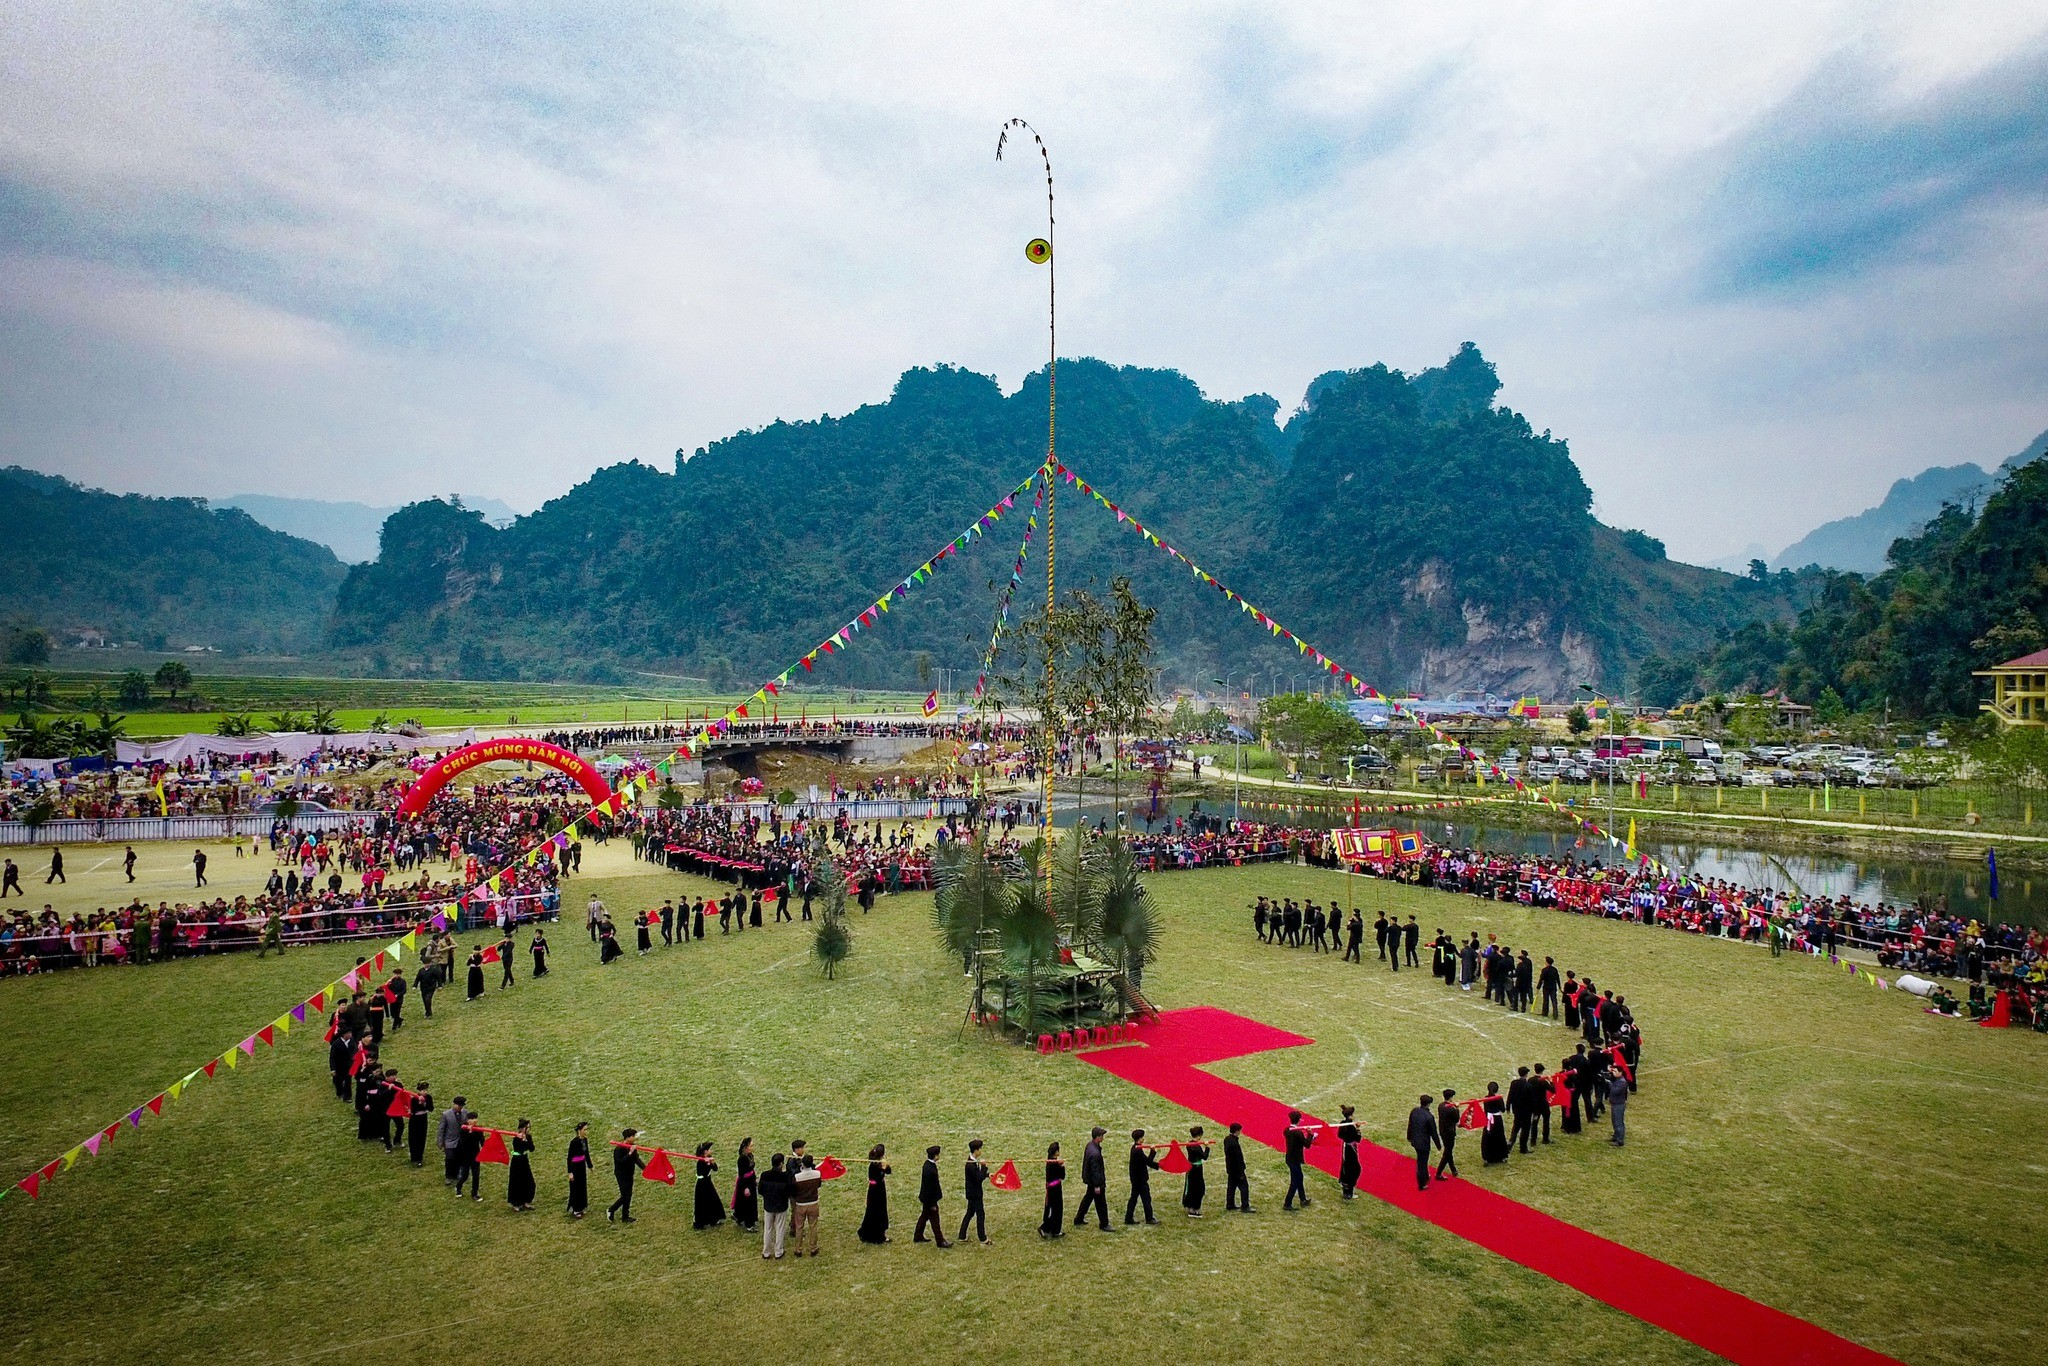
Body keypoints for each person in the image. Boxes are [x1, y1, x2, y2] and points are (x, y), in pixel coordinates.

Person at [913, 1144, 952, 1247]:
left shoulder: (927, 1165)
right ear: (935, 1155)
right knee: (935, 1221)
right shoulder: (930, 1169)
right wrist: (932, 1203)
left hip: (927, 1198)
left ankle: (918, 1235)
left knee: (924, 1216)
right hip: (930, 1199)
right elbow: (929, 1188)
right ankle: (940, 1241)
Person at [1074, 1127, 1111, 1231]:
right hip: (1095, 1182)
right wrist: (1097, 1185)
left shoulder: (1090, 1145)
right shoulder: (1095, 1153)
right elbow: (1096, 1171)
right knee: (1101, 1203)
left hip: (1090, 1180)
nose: (1103, 1137)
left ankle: (1079, 1218)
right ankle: (1104, 1224)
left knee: (1088, 1199)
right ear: (1098, 1137)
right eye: (1102, 1135)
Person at [789, 1144, 822, 1256]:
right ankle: (813, 1247)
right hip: (813, 1203)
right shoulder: (817, 1174)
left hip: (800, 1204)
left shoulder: (797, 1177)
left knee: (799, 1227)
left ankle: (798, 1249)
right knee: (813, 1226)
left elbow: (794, 1189)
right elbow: (818, 1185)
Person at [760, 1152, 794, 1258]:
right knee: (780, 1229)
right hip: (781, 1206)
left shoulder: (765, 1175)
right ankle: (778, 1251)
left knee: (768, 1228)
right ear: (781, 1164)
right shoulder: (785, 1176)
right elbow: (790, 1191)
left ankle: (766, 1251)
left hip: (769, 1206)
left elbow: (760, 1190)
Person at [1125, 1129, 1161, 1225]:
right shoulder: (1138, 1151)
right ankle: (1149, 1218)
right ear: (1139, 1139)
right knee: (1146, 1199)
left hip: (1135, 1179)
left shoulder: (1135, 1148)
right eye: (1142, 1137)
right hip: (1140, 1180)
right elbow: (1148, 1162)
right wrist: (1153, 1151)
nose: (1144, 1139)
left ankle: (1128, 1218)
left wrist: (1158, 1165)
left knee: (1133, 1198)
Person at [857, 1144, 891, 1244]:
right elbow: (878, 1177)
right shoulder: (874, 1166)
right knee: (876, 1211)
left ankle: (877, 1233)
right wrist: (883, 1168)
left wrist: (885, 1166)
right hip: (876, 1190)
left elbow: (889, 1171)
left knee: (877, 1210)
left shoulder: (879, 1163)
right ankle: (876, 1236)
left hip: (878, 1189)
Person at [609, 1129, 645, 1223]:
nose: (634, 1138)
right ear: (628, 1138)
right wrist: (629, 1153)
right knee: (625, 1195)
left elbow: (636, 1160)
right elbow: (620, 1162)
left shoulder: (632, 1147)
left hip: (629, 1174)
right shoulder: (619, 1149)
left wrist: (646, 1169)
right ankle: (611, 1210)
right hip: (621, 1175)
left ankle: (625, 1216)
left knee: (628, 1195)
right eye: (633, 1136)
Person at [959, 1139, 991, 1245]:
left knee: (969, 1213)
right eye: (980, 1149)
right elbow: (978, 1179)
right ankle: (983, 1238)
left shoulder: (972, 1161)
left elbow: (979, 1176)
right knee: (980, 1215)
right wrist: (984, 1167)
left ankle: (962, 1235)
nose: (981, 1151)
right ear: (976, 1150)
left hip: (972, 1193)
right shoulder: (970, 1165)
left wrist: (987, 1174)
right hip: (975, 1194)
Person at [1282, 1111, 1313, 1210]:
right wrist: (1310, 1135)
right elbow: (1307, 1144)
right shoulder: (1297, 1132)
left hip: (1290, 1158)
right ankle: (1287, 1203)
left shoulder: (1287, 1130)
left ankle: (1303, 1199)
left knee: (1299, 1178)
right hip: (1295, 1159)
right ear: (1298, 1120)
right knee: (1296, 1180)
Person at [1407, 1094, 1439, 1190]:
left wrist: (1409, 1137)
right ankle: (1422, 1184)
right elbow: (1433, 1133)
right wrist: (1438, 1145)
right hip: (1423, 1143)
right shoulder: (1429, 1117)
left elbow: (1410, 1125)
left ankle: (1425, 1177)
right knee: (1422, 1163)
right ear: (1428, 1104)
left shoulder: (1414, 1111)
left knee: (1422, 1161)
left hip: (1415, 1140)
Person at [693, 1141, 727, 1229]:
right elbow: (701, 1173)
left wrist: (711, 1163)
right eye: (709, 1150)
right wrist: (706, 1163)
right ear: (705, 1151)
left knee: (713, 1200)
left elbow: (715, 1169)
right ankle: (701, 1222)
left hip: (708, 1183)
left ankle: (714, 1219)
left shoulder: (709, 1159)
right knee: (702, 1203)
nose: (711, 1151)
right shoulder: (700, 1162)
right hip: (702, 1185)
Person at [438, 1095, 469, 1187]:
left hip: (461, 1141)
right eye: (458, 1106)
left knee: (458, 1158)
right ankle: (448, 1176)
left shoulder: (465, 1113)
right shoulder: (446, 1115)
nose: (460, 1108)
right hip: (449, 1141)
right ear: (454, 1104)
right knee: (449, 1158)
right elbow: (441, 1129)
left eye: (461, 1106)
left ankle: (456, 1174)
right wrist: (440, 1142)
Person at [507, 1119, 537, 1211]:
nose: (528, 1129)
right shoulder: (516, 1138)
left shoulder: (528, 1137)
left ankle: (526, 1201)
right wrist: (523, 1141)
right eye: (527, 1127)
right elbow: (519, 1149)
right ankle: (516, 1203)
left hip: (524, 1160)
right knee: (516, 1182)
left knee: (529, 1181)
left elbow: (532, 1148)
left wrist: (526, 1140)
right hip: (517, 1161)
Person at [1224, 1121, 1253, 1212]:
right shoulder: (1234, 1144)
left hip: (1230, 1168)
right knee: (1244, 1187)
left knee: (1231, 1187)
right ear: (1236, 1131)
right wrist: (1241, 1171)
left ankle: (1230, 1204)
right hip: (1237, 1170)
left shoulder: (1227, 1139)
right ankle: (1245, 1206)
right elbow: (1237, 1159)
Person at [732, 1137, 759, 1232]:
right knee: (748, 1203)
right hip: (745, 1183)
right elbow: (742, 1174)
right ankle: (749, 1224)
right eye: (751, 1145)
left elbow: (751, 1170)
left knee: (745, 1202)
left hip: (750, 1181)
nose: (753, 1147)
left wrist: (754, 1179)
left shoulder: (750, 1156)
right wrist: (746, 1187)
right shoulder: (742, 1159)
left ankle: (739, 1217)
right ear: (746, 1147)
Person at [1039, 1141, 1066, 1237]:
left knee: (1052, 1209)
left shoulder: (1050, 1162)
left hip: (1051, 1188)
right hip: (1055, 1189)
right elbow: (1062, 1176)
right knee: (1057, 1210)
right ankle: (1049, 1228)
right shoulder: (1055, 1164)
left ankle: (1052, 1228)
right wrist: (1062, 1167)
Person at [455, 1115, 485, 1200]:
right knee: (465, 1175)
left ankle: (474, 1194)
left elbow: (482, 1142)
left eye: (475, 1118)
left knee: (476, 1175)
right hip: (465, 1156)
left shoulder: (478, 1130)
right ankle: (458, 1187)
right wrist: (470, 1133)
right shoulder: (463, 1129)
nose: (474, 1120)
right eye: (472, 1119)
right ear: (468, 1120)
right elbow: (463, 1142)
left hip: (475, 1155)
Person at [1336, 1105, 1362, 1199]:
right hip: (1351, 1148)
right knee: (1354, 1169)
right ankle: (1348, 1191)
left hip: (1346, 1147)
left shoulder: (1343, 1124)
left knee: (1346, 1168)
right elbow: (1358, 1138)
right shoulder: (1350, 1126)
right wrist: (1358, 1129)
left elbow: (1340, 1135)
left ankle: (1346, 1189)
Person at [566, 1122, 592, 1218]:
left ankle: (581, 1206)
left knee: (582, 1186)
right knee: (576, 1187)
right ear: (579, 1131)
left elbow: (586, 1153)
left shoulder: (585, 1140)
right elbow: (569, 1158)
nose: (586, 1131)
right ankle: (576, 1209)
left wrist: (590, 1165)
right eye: (584, 1130)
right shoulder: (574, 1142)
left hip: (582, 1166)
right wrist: (570, 1172)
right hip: (575, 1166)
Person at [1480, 1082, 1510, 1165]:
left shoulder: (1486, 1098)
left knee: (1487, 1137)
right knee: (1499, 1136)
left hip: (1488, 1119)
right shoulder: (1498, 1098)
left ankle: (1487, 1157)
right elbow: (1503, 1109)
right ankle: (1501, 1155)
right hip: (1497, 1119)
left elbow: (1486, 1110)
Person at [1181, 1126, 1208, 1217]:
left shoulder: (1189, 1144)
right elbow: (1204, 1157)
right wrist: (1207, 1147)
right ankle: (1194, 1209)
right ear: (1199, 1135)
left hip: (1191, 1168)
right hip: (1196, 1169)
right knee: (1198, 1189)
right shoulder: (1196, 1147)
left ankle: (1190, 1206)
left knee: (1191, 1187)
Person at [1435, 1089, 1460, 1179]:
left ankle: (1453, 1170)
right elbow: (1457, 1119)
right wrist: (1457, 1109)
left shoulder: (1441, 1106)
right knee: (1447, 1153)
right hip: (1449, 1133)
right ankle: (1438, 1173)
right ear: (1451, 1098)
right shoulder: (1451, 1109)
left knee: (1448, 1151)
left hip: (1443, 1131)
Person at [407, 1082, 434, 1167]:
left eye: (426, 1090)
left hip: (423, 1118)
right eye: (423, 1090)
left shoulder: (428, 1097)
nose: (424, 1092)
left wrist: (424, 1104)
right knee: (413, 1137)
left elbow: (431, 1108)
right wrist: (419, 1103)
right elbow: (413, 1110)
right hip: (415, 1119)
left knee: (421, 1137)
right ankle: (413, 1156)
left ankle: (419, 1157)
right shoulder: (414, 1098)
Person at [1607, 1067, 1630, 1147]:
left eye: (1615, 1071)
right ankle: (1616, 1136)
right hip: (1615, 1103)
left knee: (1618, 1122)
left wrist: (1609, 1083)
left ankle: (1620, 1140)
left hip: (1618, 1105)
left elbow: (1614, 1091)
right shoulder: (1617, 1079)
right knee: (1614, 1121)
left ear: (1620, 1072)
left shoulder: (1622, 1082)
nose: (1614, 1073)